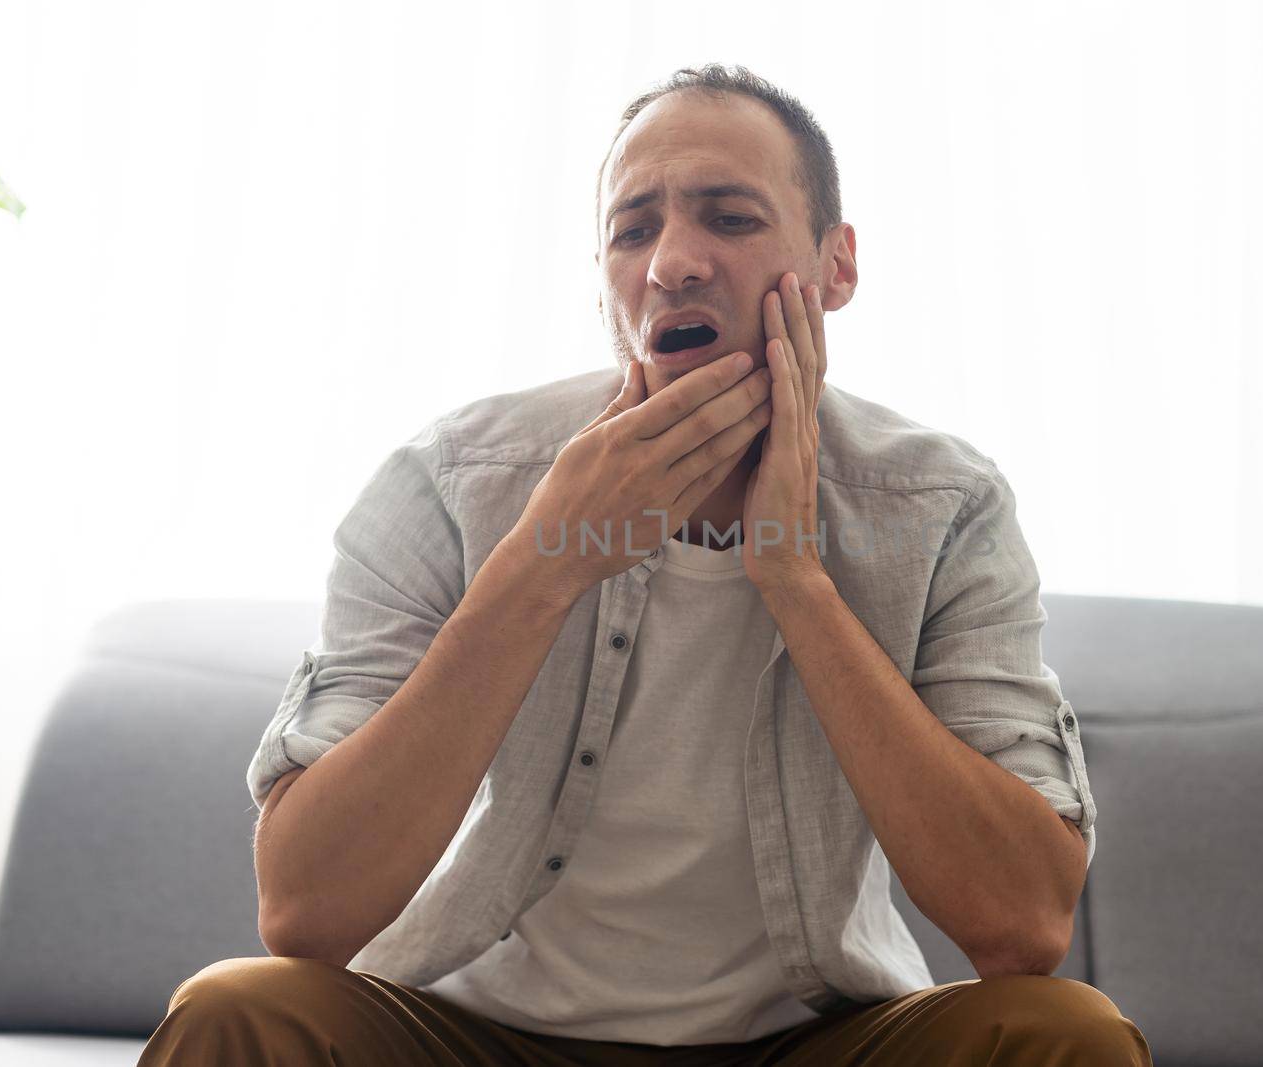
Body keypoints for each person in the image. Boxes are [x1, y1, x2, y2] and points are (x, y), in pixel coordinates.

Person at [139, 63, 1152, 1066]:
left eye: (730, 217)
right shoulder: (450, 479)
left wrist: (793, 576)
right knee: (239, 1010)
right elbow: (305, 910)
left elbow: (1021, 925)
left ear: (836, 266)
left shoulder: (940, 506)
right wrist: (542, 563)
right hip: (477, 1032)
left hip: (803, 1039)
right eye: (633, 231)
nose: (673, 261)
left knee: (1067, 1035)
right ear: (606, 290)